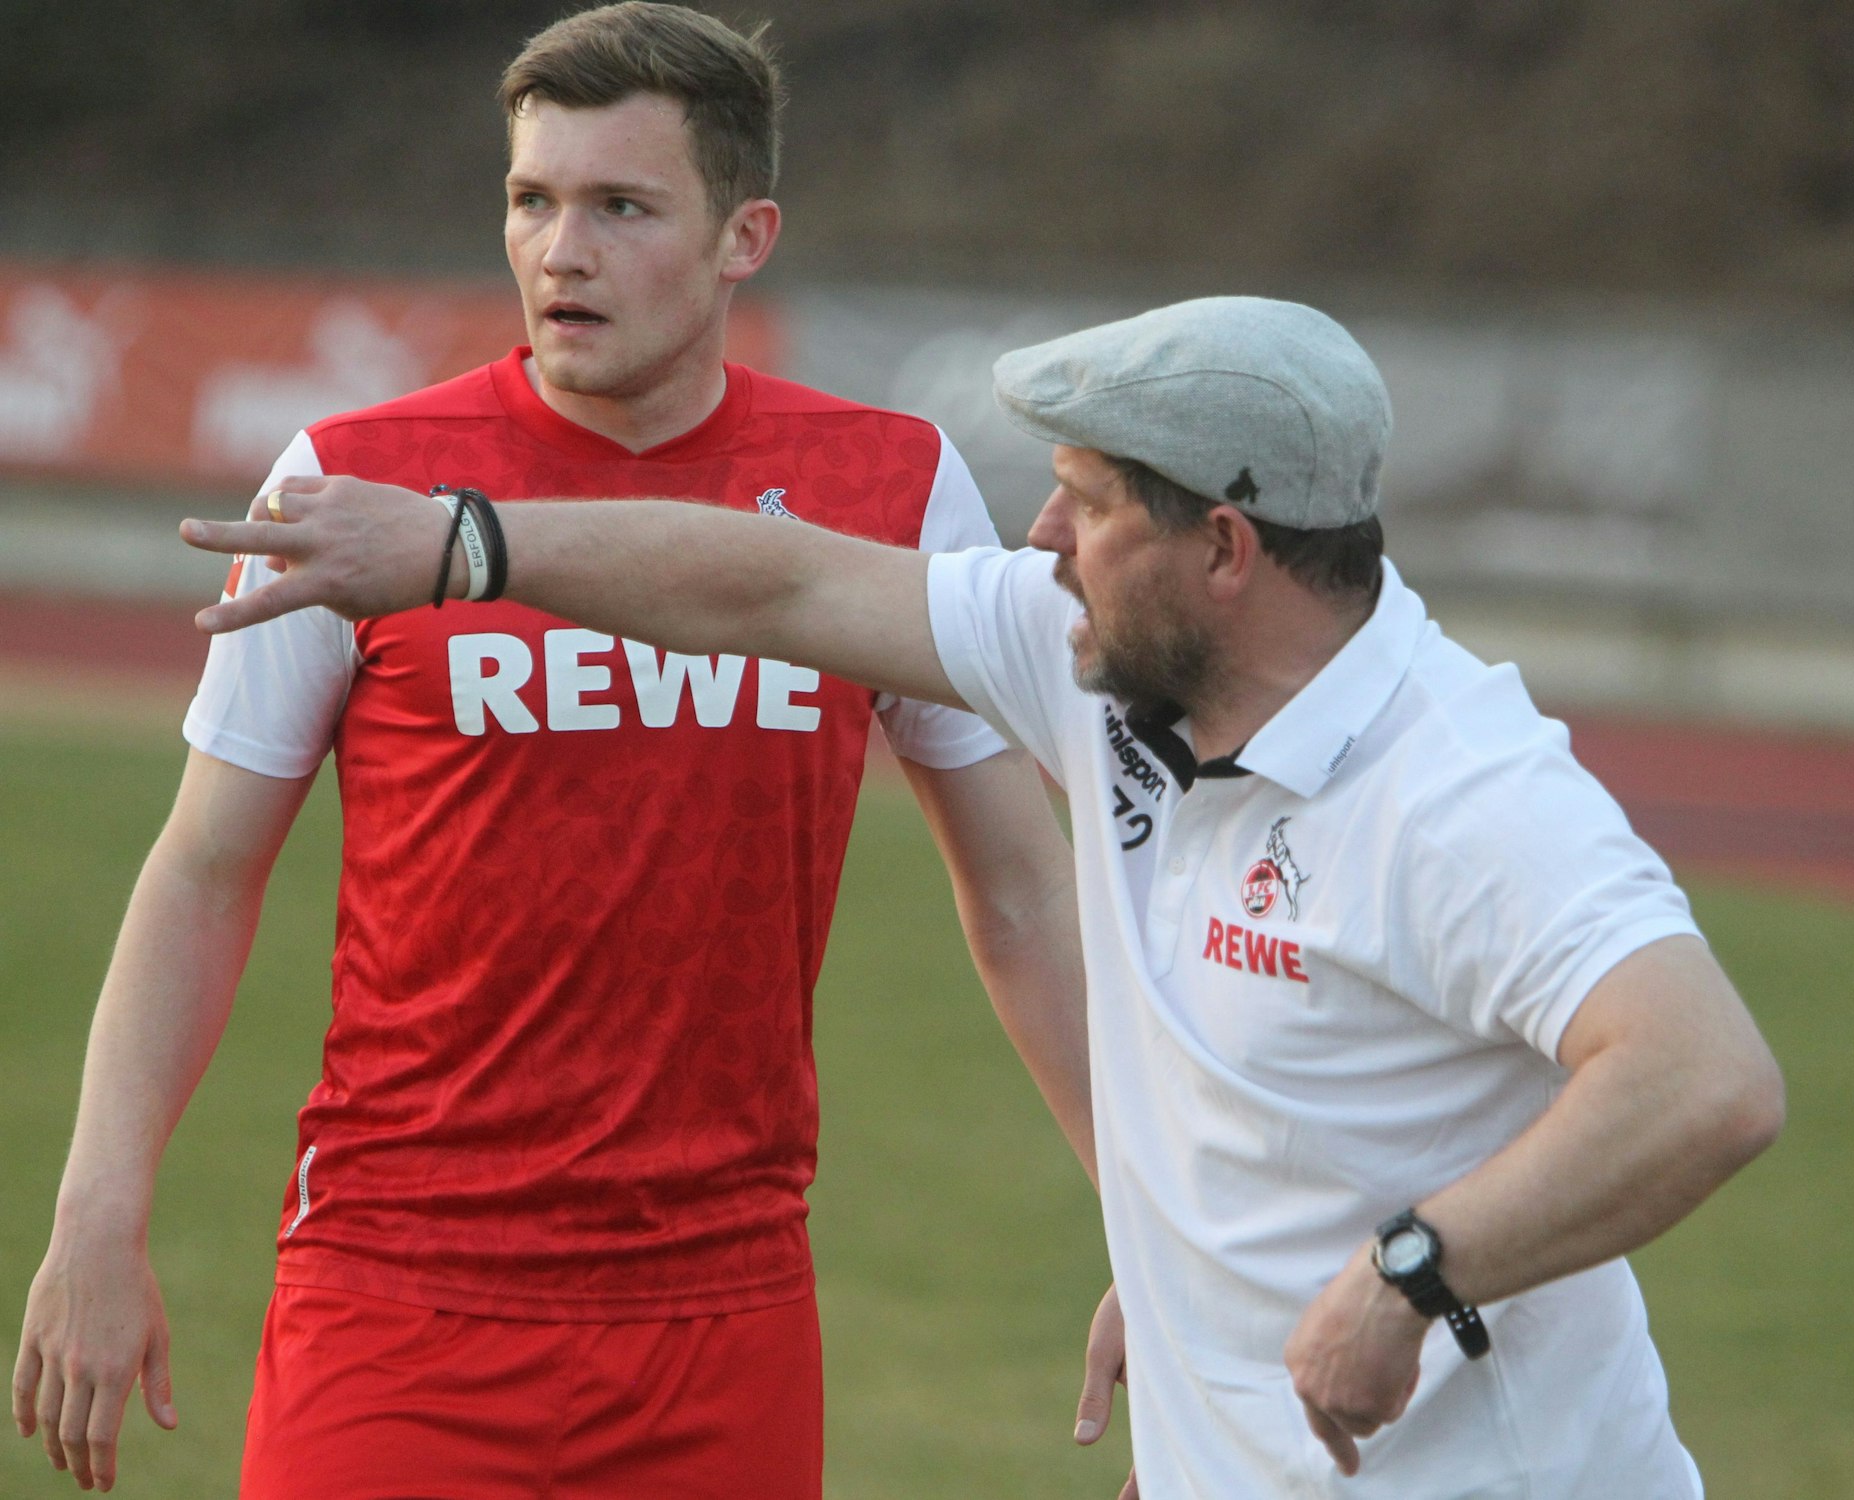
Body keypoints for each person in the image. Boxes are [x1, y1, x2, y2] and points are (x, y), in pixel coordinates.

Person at [176, 294, 1788, 1499]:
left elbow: (1705, 1081)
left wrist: (1405, 1276)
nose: (1039, 537)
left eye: (1085, 500)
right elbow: (776, 580)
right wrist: (467, 544)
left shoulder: (1462, 791)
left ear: (1222, 546)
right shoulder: (1094, 656)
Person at [11, 6, 1092, 1497]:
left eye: (621, 207)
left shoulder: (885, 486)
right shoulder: (351, 481)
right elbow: (202, 870)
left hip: (725, 1318)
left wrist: (1156, 1236)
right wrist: (96, 1212)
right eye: (532, 200)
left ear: (744, 235)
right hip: (395, 1301)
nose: (558, 251)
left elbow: (1024, 895)